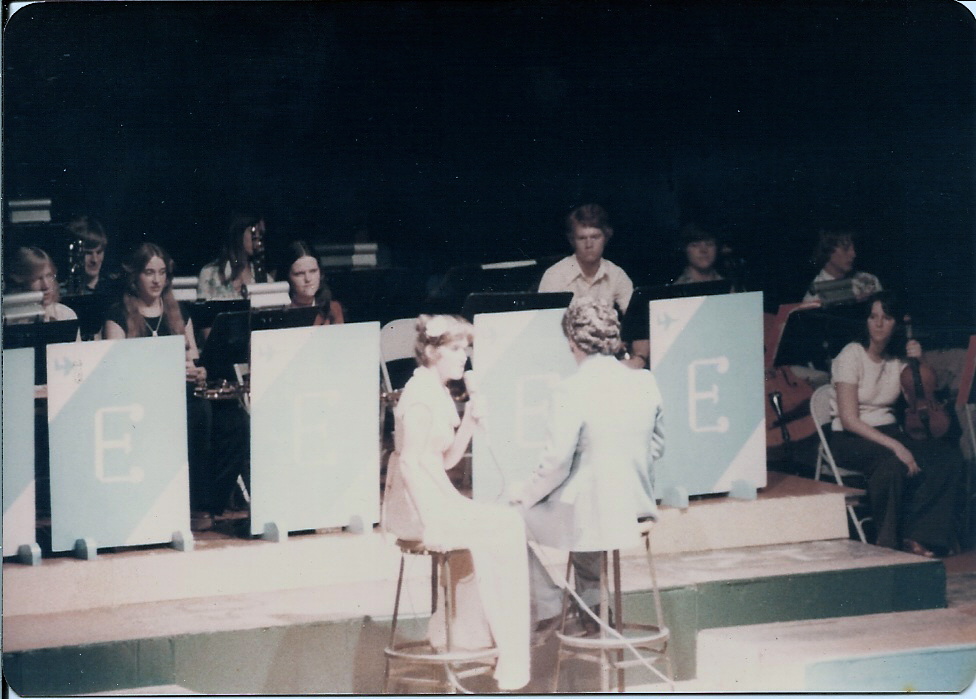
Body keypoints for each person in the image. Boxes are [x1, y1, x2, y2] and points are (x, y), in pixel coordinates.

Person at [383, 314, 530, 691]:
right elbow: (411, 463)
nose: (464, 356)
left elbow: (446, 460)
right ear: (433, 352)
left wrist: (469, 423)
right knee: (504, 526)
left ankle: (473, 639)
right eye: (455, 349)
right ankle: (495, 648)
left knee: (507, 523)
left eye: (465, 349)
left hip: (436, 495)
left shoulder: (438, 391)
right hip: (417, 506)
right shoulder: (419, 395)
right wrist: (431, 520)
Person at [511, 297, 665, 635]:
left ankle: (552, 605)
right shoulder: (645, 382)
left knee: (505, 521)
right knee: (584, 498)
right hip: (636, 508)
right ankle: (592, 607)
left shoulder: (570, 389)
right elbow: (656, 447)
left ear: (572, 341)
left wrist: (524, 495)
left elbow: (555, 464)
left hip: (594, 513)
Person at [828, 291, 963, 556]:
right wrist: (897, 447)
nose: (878, 324)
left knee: (946, 457)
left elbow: (920, 392)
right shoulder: (850, 355)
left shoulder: (897, 360)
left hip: (888, 432)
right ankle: (887, 544)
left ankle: (917, 536)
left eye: (886, 317)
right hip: (850, 438)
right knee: (892, 464)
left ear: (897, 323)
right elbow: (849, 420)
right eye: (873, 317)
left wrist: (919, 361)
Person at [103, 243, 216, 529]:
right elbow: (117, 372)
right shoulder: (117, 315)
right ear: (135, 276)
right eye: (149, 272)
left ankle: (202, 504)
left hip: (178, 395)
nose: (157, 280)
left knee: (218, 416)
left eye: (162, 272)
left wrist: (198, 371)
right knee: (192, 414)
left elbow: (192, 357)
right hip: (140, 399)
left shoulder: (179, 312)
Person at [538, 203, 634, 314]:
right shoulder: (554, 275)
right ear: (572, 240)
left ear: (606, 238)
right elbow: (544, 320)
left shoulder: (617, 275)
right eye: (582, 238)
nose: (589, 244)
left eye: (595, 237)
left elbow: (636, 316)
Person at [197, 213, 273, 300]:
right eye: (254, 232)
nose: (258, 237)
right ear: (238, 233)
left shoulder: (265, 278)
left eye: (261, 233)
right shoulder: (210, 275)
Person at [803, 230, 882, 303]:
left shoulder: (869, 281)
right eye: (846, 249)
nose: (853, 254)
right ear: (827, 250)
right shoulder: (814, 296)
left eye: (853, 248)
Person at [6, 246, 79, 323]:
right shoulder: (8, 320)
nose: (46, 286)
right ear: (22, 281)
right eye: (37, 278)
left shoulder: (66, 315)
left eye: (49, 276)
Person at [281, 241, 344, 325]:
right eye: (299, 274)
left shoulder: (332, 309)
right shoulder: (280, 311)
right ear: (288, 277)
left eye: (313, 271)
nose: (308, 279)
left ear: (320, 273)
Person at [65, 215, 119, 295]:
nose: (95, 260)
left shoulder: (116, 289)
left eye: (99, 252)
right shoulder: (61, 293)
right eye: (88, 253)